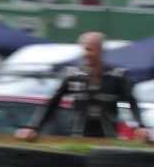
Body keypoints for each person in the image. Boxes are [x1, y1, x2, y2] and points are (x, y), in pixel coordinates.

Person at [16, 31, 150, 142]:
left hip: (108, 139)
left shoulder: (117, 76)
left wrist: (140, 126)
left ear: (101, 50)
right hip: (78, 138)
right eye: (84, 49)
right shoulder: (73, 74)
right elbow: (52, 103)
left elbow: (131, 103)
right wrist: (33, 127)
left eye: (90, 49)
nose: (86, 53)